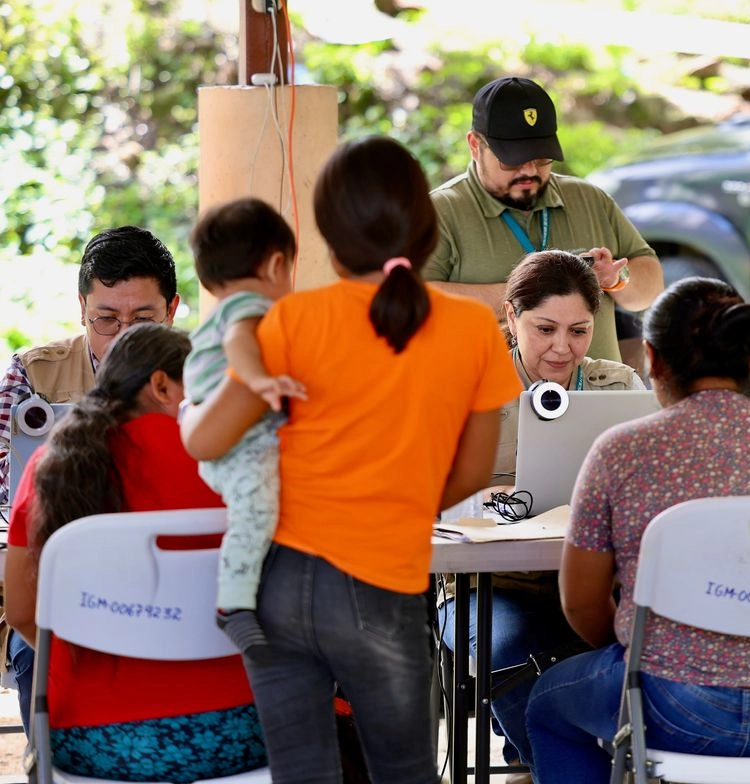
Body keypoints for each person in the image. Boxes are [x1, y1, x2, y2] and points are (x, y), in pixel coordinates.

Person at [181, 135, 522, 783]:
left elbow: (208, 440)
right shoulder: (472, 329)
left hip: (275, 584)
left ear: (326, 237)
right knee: (403, 771)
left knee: (302, 773)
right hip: (381, 583)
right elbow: (474, 474)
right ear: (426, 228)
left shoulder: (289, 320)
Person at [524, 277, 750, 784]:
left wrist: (640, 655)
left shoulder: (621, 450)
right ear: (749, 359)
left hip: (675, 706)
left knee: (547, 705)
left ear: (651, 359)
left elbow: (581, 603)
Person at [3, 324, 266, 782]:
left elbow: (23, 610)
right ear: (162, 385)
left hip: (93, 739)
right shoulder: (233, 465)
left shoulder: (50, 469)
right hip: (238, 729)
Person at [440, 249, 644, 771]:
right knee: (509, 645)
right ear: (511, 316)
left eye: (578, 331)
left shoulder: (618, 387)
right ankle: (561, 767)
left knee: (655, 636)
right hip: (490, 586)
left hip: (597, 580)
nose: (561, 349)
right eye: (544, 328)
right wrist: (475, 498)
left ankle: (559, 765)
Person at [0, 224, 179, 736]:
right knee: (38, 658)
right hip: (63, 585)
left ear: (172, 309)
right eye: (106, 319)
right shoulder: (34, 373)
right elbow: (4, 490)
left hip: (173, 581)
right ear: (82, 310)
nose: (122, 335)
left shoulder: (208, 379)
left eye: (142, 319)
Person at [424, 75, 664, 366]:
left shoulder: (589, 199)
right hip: (493, 404)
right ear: (475, 146)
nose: (529, 171)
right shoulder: (441, 211)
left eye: (541, 159)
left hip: (598, 400)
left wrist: (616, 280)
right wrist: (535, 292)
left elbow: (650, 284)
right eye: (512, 159)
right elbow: (415, 303)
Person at [183, 197, 305, 657]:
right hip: (240, 448)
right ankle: (232, 604)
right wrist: (258, 379)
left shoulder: (225, 307)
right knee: (257, 511)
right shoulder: (248, 308)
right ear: (277, 264)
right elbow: (240, 342)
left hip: (235, 437)